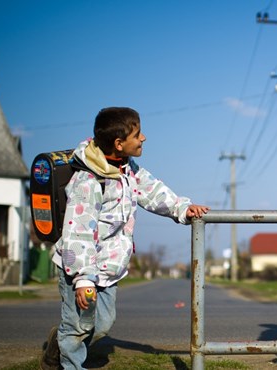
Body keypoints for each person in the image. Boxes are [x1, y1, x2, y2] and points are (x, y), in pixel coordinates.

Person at [40, 107, 210, 370]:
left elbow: (153, 192)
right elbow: (78, 233)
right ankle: (68, 362)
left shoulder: (127, 170)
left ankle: (58, 344)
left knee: (103, 325)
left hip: (109, 266)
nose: (144, 138)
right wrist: (83, 278)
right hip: (80, 267)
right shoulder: (89, 182)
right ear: (119, 144)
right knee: (77, 326)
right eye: (137, 134)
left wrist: (181, 208)